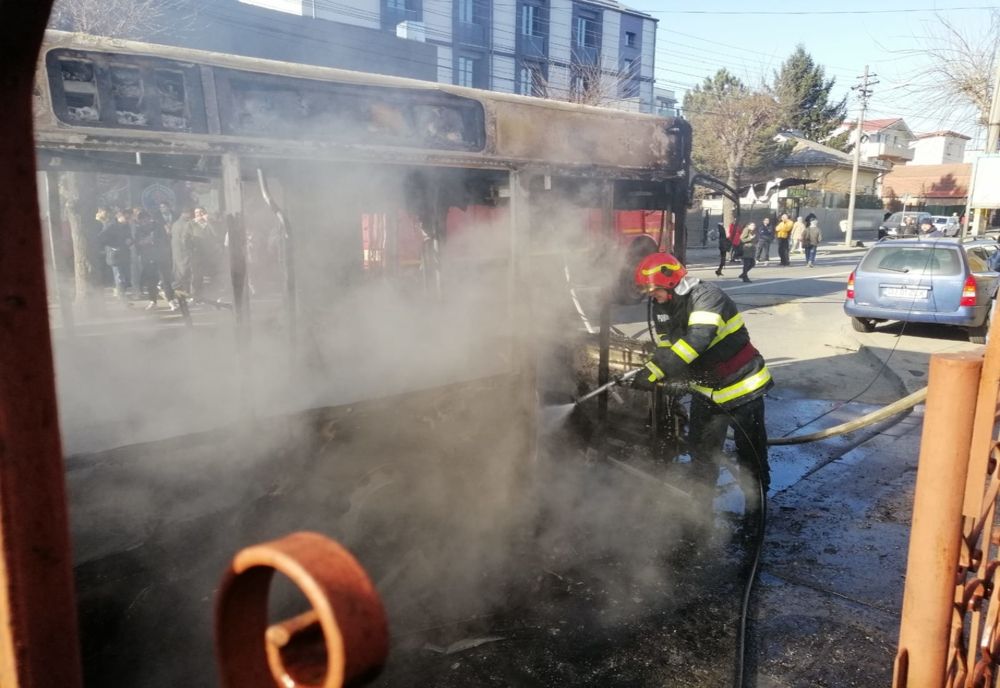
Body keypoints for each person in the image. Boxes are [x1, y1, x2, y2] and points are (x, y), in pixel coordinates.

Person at [631, 252, 772, 515]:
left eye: (653, 290)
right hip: (707, 390)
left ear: (670, 282)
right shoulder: (664, 307)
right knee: (702, 454)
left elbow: (697, 340)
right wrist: (663, 372)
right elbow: (667, 346)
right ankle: (700, 512)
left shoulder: (707, 297)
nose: (651, 296)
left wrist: (658, 370)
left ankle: (757, 509)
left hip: (743, 387)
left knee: (750, 454)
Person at [96, 207, 132, 299]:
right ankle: (121, 298)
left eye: (129, 218)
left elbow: (130, 237)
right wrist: (114, 246)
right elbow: (101, 238)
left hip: (125, 254)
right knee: (119, 277)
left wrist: (130, 241)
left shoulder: (126, 226)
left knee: (126, 277)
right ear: (119, 216)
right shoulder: (111, 226)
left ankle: (122, 294)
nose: (128, 220)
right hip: (115, 255)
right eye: (126, 218)